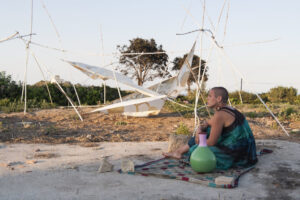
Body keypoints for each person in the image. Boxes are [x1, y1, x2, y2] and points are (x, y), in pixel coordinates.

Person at [163, 87, 258, 170]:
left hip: (237, 154)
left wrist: (198, 134)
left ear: (219, 98)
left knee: (195, 151)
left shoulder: (220, 115)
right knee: (207, 130)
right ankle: (178, 152)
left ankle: (179, 152)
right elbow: (211, 122)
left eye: (209, 96)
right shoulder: (229, 109)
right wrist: (204, 126)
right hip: (246, 150)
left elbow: (211, 143)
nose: (207, 99)